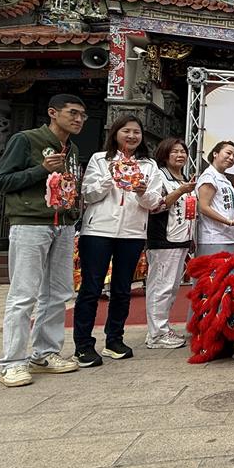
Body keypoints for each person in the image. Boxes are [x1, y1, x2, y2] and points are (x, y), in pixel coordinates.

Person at [0, 93, 85, 386]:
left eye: (82, 115)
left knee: (59, 293)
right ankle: (12, 362)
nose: (79, 119)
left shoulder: (72, 149)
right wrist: (41, 169)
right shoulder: (26, 140)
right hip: (31, 222)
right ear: (53, 113)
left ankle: (44, 354)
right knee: (24, 294)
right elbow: (1, 181)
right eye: (73, 113)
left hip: (63, 224)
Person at [72, 115, 163, 367]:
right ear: (115, 133)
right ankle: (83, 345)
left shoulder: (149, 166)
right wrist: (110, 177)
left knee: (122, 290)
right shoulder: (100, 160)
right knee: (91, 288)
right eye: (126, 131)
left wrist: (142, 192)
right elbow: (88, 194)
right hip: (98, 231)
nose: (132, 136)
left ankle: (114, 340)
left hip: (132, 233)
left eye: (136, 132)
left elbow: (154, 202)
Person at [144, 137, 195, 350]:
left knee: (172, 287)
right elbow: (154, 206)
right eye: (175, 151)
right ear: (165, 154)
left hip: (181, 240)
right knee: (160, 286)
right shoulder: (159, 175)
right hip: (163, 239)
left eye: (183, 151)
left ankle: (162, 328)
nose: (180, 155)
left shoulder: (184, 178)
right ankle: (156, 334)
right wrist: (181, 191)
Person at [196, 140, 234, 257]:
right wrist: (229, 222)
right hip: (214, 238)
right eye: (228, 153)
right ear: (215, 153)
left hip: (230, 237)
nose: (231, 158)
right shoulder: (209, 176)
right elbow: (203, 207)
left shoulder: (223, 178)